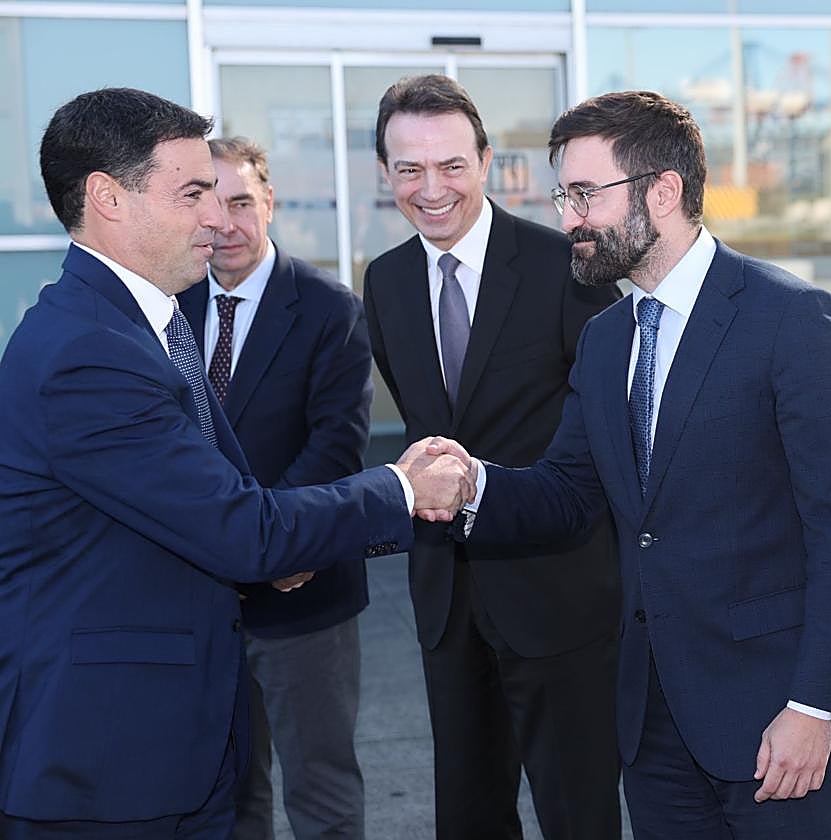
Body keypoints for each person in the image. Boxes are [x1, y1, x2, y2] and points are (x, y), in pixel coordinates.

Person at [434, 90, 831, 839]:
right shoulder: (606, 340)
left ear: (662, 192)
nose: (569, 219)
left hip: (778, 717)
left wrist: (814, 704)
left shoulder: (793, 320)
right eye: (564, 196)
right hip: (652, 722)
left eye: (586, 194)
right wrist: (471, 485)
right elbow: (569, 491)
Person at [0, 87, 471, 838]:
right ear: (107, 198)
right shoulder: (90, 354)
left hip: (163, 745)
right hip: (107, 767)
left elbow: (222, 503)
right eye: (192, 194)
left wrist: (269, 541)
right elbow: (240, 527)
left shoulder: (133, 325)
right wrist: (401, 488)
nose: (217, 220)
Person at [362, 74, 622, 840]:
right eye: (409, 169)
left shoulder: (566, 266)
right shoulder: (385, 282)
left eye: (451, 165)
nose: (431, 188)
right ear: (384, 173)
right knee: (468, 816)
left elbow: (607, 436)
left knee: (578, 818)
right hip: (448, 599)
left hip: (558, 595)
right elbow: (424, 427)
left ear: (484, 160)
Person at [178, 136, 373, 840]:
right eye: (208, 203)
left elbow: (336, 445)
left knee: (321, 794)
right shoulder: (167, 304)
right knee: (225, 794)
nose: (225, 223)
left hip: (300, 593)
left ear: (270, 203)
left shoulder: (329, 307)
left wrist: (267, 546)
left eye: (241, 202)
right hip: (198, 595)